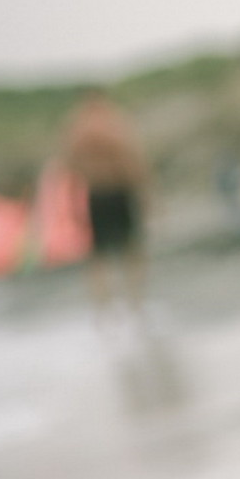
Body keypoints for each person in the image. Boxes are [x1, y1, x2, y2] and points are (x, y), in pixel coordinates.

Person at [59, 89, 152, 325]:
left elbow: (70, 170)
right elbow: (132, 159)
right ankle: (136, 305)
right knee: (130, 249)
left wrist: (71, 204)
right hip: (119, 190)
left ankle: (104, 311)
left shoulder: (75, 129)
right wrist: (146, 194)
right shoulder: (114, 122)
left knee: (98, 256)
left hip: (94, 194)